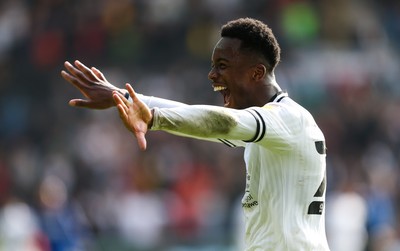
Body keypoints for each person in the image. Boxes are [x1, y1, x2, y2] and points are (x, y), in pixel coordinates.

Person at [61, 17, 330, 251]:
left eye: (222, 65)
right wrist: (124, 97)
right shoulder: (273, 129)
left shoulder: (288, 119)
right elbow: (201, 118)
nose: (212, 75)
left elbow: (223, 124)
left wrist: (154, 118)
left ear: (256, 73)